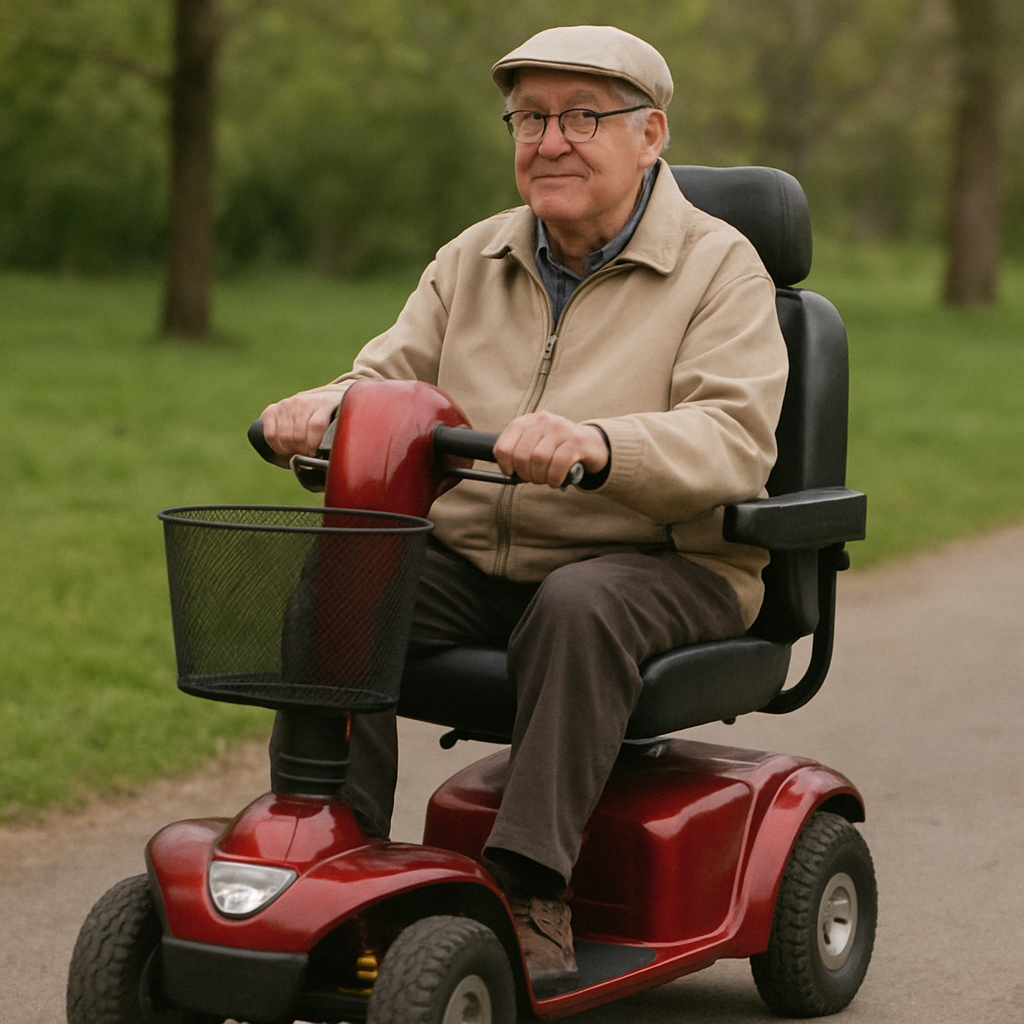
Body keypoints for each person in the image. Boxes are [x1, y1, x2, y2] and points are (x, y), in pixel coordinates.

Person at [261, 25, 788, 991]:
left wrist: (600, 444)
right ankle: (335, 852)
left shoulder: (724, 269)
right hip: (483, 564)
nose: (550, 140)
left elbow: (734, 440)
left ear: (650, 134)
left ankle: (531, 885)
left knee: (581, 605)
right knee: (345, 573)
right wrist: (322, 409)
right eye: (531, 117)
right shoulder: (474, 257)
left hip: (668, 565)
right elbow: (384, 380)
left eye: (584, 116)